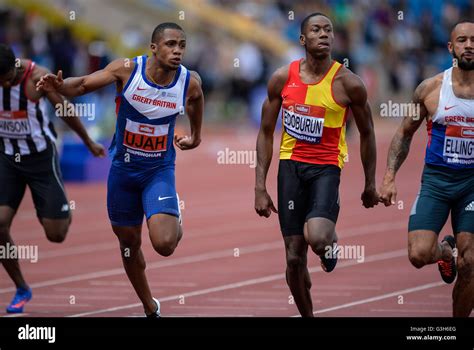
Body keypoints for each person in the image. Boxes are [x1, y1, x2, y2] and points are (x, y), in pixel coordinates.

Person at [37, 22, 203, 317]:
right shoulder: (127, 70)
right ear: (154, 47)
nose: (177, 51)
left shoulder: (188, 81)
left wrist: (196, 134)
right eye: (170, 44)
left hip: (158, 170)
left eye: (182, 45)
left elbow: (197, 99)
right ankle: (149, 306)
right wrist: (59, 86)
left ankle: (173, 217)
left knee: (164, 244)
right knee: (128, 243)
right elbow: (84, 84)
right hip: (123, 172)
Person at [254, 13, 379, 317]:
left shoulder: (349, 83)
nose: (323, 34)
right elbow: (266, 131)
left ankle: (330, 245)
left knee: (319, 237)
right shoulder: (282, 78)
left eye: (328, 30)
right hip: (290, 168)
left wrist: (370, 183)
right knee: (294, 258)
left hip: (326, 168)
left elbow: (367, 133)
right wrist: (259, 186)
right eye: (315, 30)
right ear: (302, 39)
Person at [0, 44, 105, 314]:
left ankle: (59, 209)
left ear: (15, 68)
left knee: (55, 235)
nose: (3, 84)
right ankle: (22, 287)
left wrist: (88, 142)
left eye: (7, 79)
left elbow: (66, 111)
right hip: (8, 159)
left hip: (41, 160)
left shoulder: (38, 78)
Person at [379, 21, 474, 317]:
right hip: (436, 182)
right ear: (450, 47)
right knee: (419, 255)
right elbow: (404, 133)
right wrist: (389, 177)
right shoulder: (431, 89)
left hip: (472, 184)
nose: (469, 45)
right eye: (462, 40)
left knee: (469, 262)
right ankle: (446, 251)